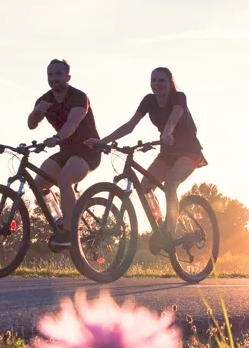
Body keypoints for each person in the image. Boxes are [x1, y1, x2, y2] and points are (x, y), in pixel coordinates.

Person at [86, 67, 207, 254]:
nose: (157, 84)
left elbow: (173, 120)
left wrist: (167, 133)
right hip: (168, 151)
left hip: (189, 150)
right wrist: (103, 142)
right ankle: (159, 225)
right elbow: (130, 126)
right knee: (145, 185)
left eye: (162, 80)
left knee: (172, 183)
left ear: (170, 83)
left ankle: (170, 232)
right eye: (154, 80)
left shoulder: (179, 97)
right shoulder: (148, 101)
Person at [27, 58, 102, 250]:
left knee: (65, 179)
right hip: (66, 151)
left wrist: (57, 137)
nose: (53, 78)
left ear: (67, 77)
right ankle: (60, 220)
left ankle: (71, 231)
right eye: (50, 75)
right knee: (39, 184)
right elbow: (31, 125)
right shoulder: (45, 99)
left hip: (88, 150)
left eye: (58, 74)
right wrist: (36, 113)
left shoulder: (78, 97)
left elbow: (72, 124)